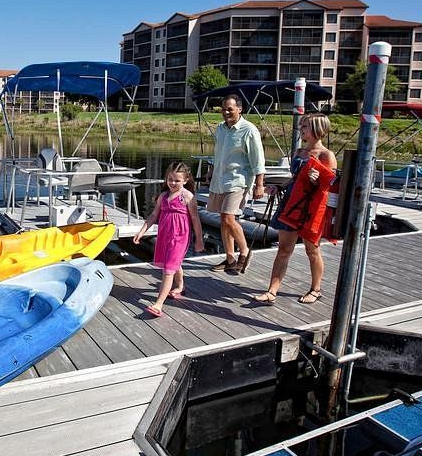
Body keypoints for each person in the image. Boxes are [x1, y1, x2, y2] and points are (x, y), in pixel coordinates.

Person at [254, 113, 337, 305]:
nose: (302, 129)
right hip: (291, 204)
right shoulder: (299, 152)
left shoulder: (326, 155)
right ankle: (272, 291)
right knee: (284, 249)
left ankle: (316, 289)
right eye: (302, 126)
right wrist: (279, 187)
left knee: (312, 250)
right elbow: (295, 178)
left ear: (317, 129)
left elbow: (329, 185)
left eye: (305, 126)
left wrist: (317, 180)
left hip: (311, 207)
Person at [133, 162, 204, 317]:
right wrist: (142, 231)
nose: (172, 183)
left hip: (180, 236)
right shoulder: (163, 196)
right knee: (173, 262)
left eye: (177, 180)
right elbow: (153, 215)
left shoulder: (188, 197)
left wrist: (199, 240)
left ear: (185, 180)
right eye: (170, 179)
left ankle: (158, 304)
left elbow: (196, 219)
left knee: (169, 269)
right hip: (165, 235)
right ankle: (180, 286)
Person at [208, 93, 265, 274]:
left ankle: (245, 251)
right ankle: (230, 259)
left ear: (240, 109)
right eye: (223, 109)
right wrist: (210, 171)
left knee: (228, 217)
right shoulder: (220, 129)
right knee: (224, 221)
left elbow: (258, 160)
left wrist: (259, 184)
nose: (226, 112)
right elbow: (217, 153)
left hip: (238, 180)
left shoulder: (249, 129)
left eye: (230, 109)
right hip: (220, 179)